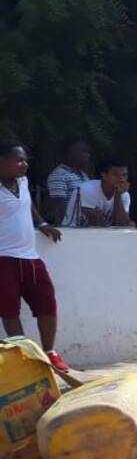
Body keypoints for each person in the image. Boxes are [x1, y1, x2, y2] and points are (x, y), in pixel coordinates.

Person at [0, 142, 68, 372]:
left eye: (25, 160)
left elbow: (27, 206)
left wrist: (42, 224)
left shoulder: (23, 182)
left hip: (30, 256)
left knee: (47, 303)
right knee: (9, 310)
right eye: (18, 160)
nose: (24, 164)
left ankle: (50, 353)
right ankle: (26, 357)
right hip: (3, 257)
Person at [65, 158, 133, 228]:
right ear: (104, 175)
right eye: (116, 175)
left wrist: (118, 196)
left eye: (124, 175)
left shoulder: (124, 194)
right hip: (72, 231)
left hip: (100, 233)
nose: (122, 179)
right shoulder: (87, 190)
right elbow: (99, 223)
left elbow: (122, 225)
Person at [45, 138, 91, 224]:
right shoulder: (59, 175)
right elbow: (59, 208)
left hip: (84, 226)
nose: (88, 155)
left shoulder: (83, 174)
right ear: (71, 153)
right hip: (70, 227)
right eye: (84, 151)